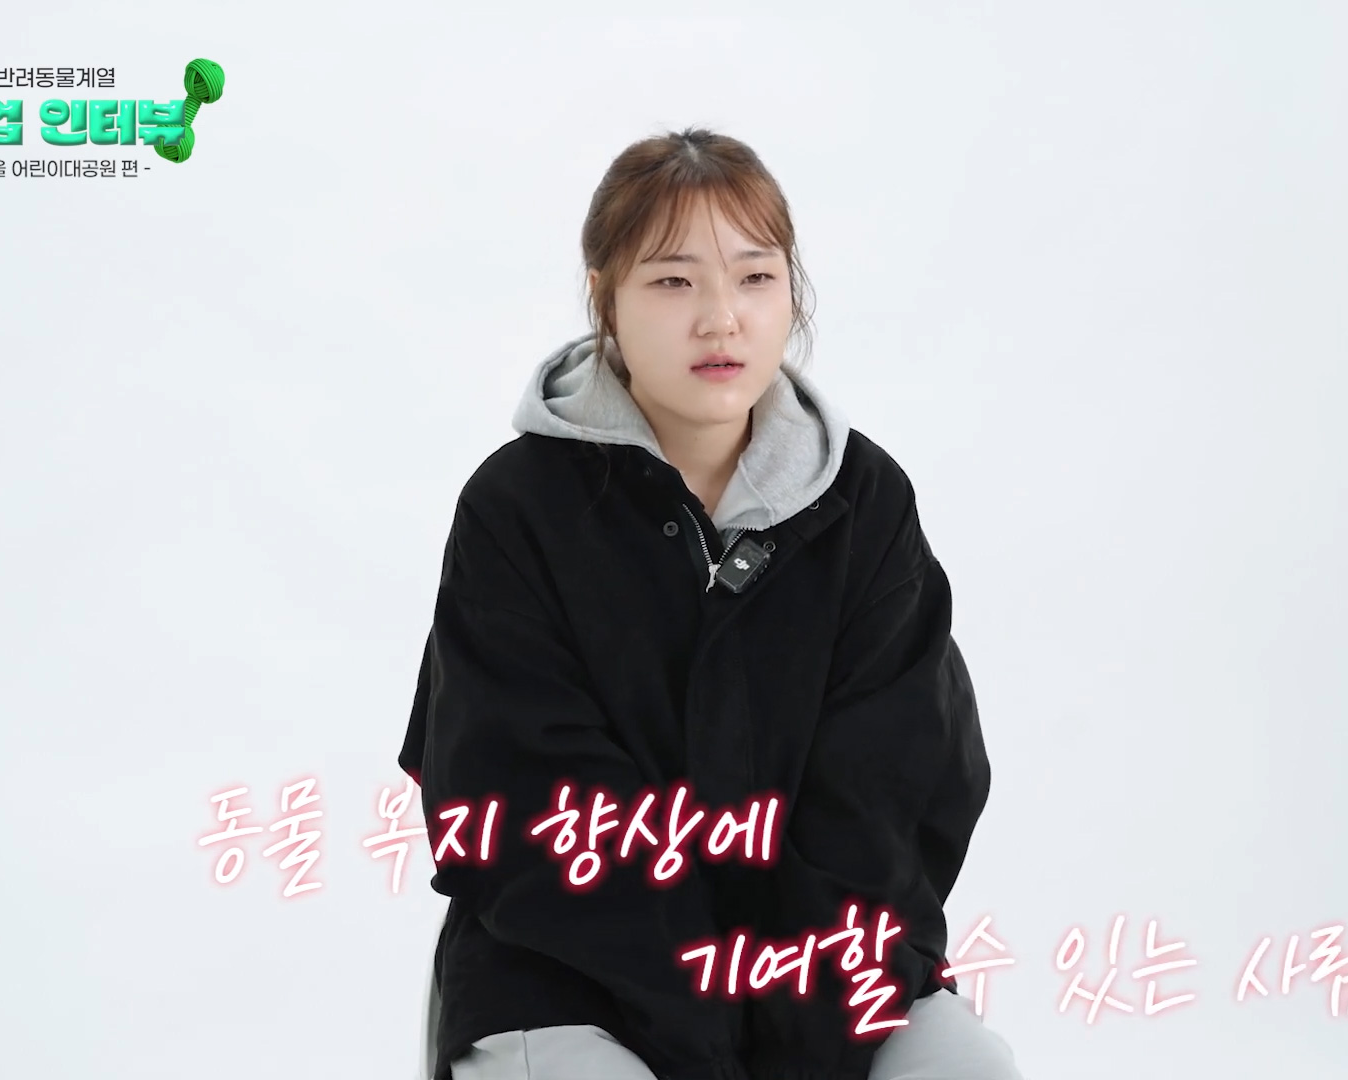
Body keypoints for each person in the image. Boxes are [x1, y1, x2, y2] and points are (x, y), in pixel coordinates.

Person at [397, 127, 1021, 1080]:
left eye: (756, 278)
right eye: (673, 281)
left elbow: (889, 800)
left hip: (828, 983)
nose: (721, 319)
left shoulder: (865, 504)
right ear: (606, 299)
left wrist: (788, 1036)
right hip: (572, 978)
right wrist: (704, 1035)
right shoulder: (516, 509)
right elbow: (522, 806)